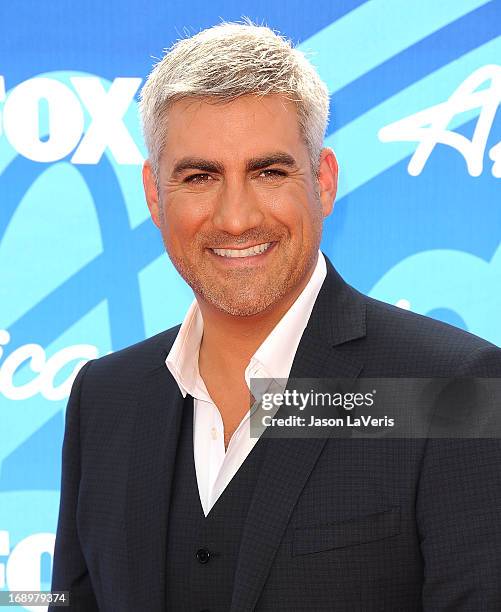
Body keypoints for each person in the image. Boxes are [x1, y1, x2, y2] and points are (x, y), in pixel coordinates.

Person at [50, 21, 501, 611]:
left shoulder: (449, 389)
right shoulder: (105, 398)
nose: (236, 219)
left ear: (323, 181)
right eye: (200, 177)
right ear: (155, 197)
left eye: (269, 172)